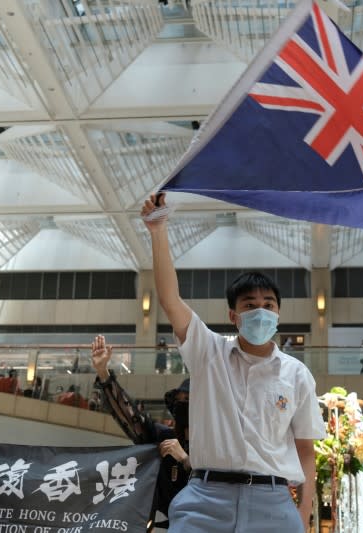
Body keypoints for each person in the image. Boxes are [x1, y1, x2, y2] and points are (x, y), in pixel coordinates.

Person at [141, 193, 325, 532]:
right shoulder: (207, 352)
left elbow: (305, 450)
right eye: (250, 304)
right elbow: (169, 300)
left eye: (268, 305)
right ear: (234, 315)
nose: (260, 311)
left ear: (278, 314)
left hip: (273, 504)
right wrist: (158, 230)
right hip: (205, 499)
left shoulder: (296, 374)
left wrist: (303, 513)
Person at [91, 335, 190, 531]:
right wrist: (103, 373)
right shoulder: (163, 437)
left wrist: (186, 460)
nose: (185, 404)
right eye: (181, 399)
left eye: (190, 399)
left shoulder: (216, 444)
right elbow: (130, 416)